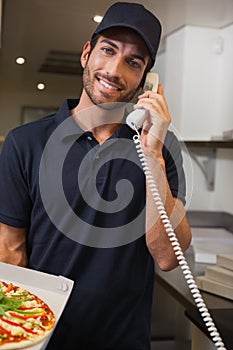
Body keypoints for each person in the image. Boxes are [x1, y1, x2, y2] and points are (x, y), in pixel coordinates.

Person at [0, 2, 192, 349]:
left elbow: (167, 257)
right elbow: (10, 253)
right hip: (44, 340)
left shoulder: (160, 150)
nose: (115, 69)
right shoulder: (24, 143)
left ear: (147, 80)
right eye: (108, 50)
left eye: (134, 62)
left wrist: (152, 155)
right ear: (87, 53)